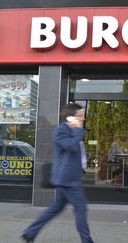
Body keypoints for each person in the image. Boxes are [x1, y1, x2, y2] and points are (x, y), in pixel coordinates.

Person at [21, 103, 94, 243]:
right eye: (79, 116)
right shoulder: (62, 130)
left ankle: (30, 232)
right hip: (68, 179)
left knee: (56, 208)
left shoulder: (71, 130)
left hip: (68, 178)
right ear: (70, 117)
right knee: (81, 208)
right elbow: (71, 147)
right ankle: (87, 241)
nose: (82, 119)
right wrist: (78, 130)